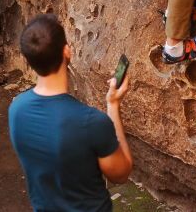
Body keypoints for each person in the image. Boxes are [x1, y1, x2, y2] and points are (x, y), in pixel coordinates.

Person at [9, 14, 132, 212]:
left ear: (28, 59)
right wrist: (113, 105)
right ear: (67, 51)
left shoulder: (16, 109)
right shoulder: (91, 122)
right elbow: (121, 174)